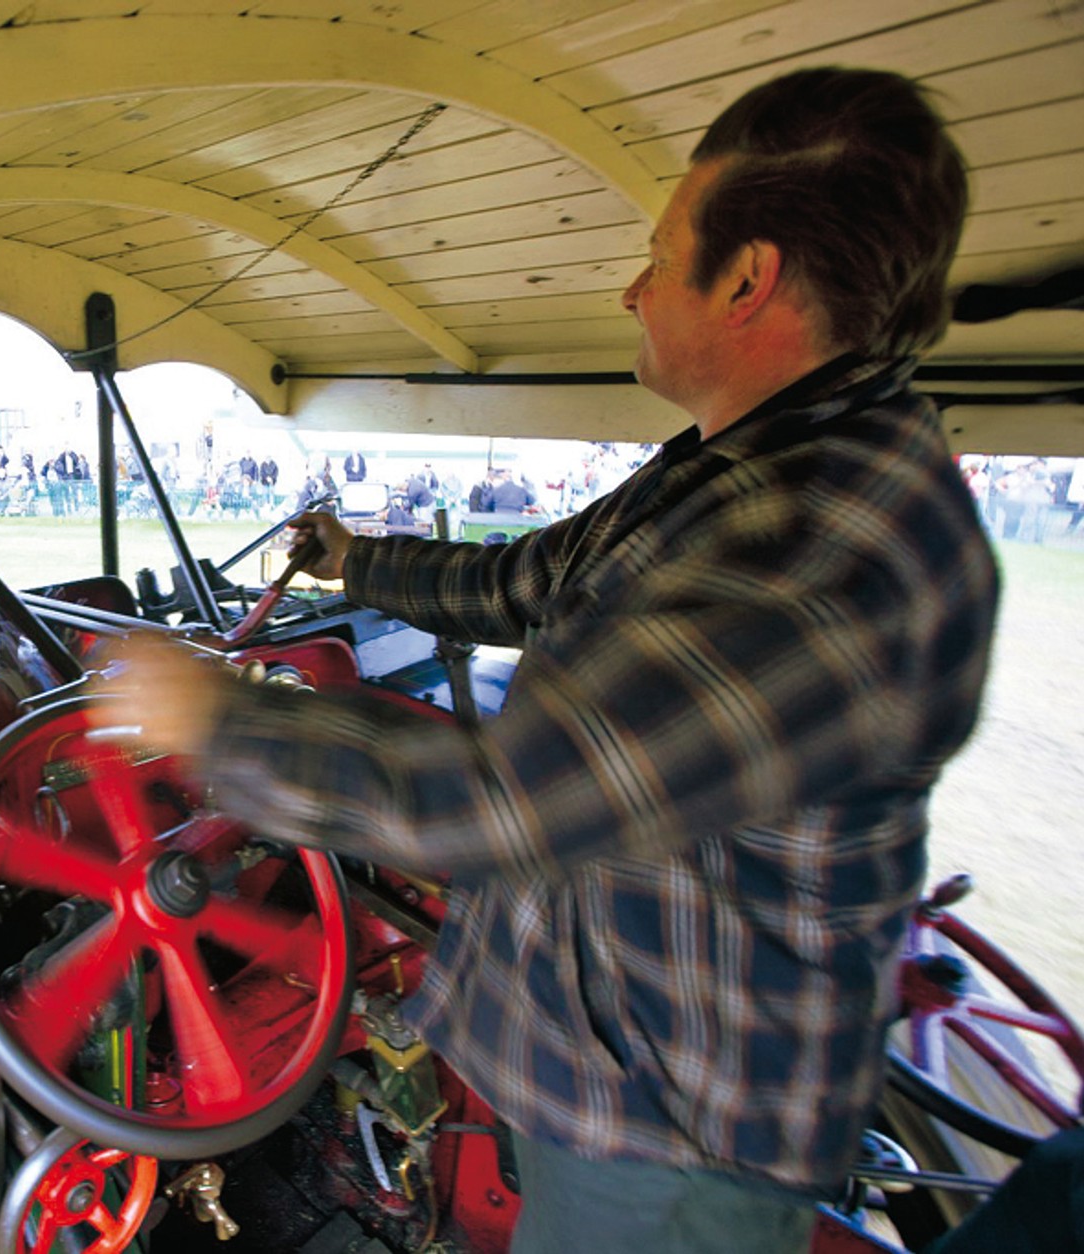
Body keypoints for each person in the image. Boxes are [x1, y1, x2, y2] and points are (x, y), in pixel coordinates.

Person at [102, 67, 996, 1254]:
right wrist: (356, 563)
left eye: (658, 252)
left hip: (670, 1143)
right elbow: (529, 578)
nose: (630, 288)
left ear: (746, 278)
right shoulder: (751, 468)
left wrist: (212, 719)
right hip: (610, 1071)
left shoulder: (809, 557)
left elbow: (502, 805)